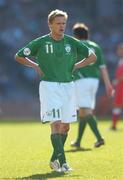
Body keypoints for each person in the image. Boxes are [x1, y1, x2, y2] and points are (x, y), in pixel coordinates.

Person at [15, 10, 96, 172]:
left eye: (64, 23)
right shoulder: (41, 42)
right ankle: (64, 162)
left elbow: (92, 56)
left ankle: (54, 159)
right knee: (56, 124)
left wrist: (76, 65)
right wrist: (35, 66)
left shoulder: (71, 42)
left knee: (65, 127)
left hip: (68, 86)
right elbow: (19, 56)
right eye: (58, 23)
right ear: (50, 24)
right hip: (49, 86)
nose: (61, 26)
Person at [70, 23, 114, 148]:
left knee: (85, 110)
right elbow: (103, 67)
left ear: (76, 35)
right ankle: (78, 141)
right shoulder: (96, 46)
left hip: (81, 80)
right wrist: (108, 85)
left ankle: (99, 138)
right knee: (83, 111)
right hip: (94, 81)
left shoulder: (76, 45)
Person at [110, 43, 123, 130]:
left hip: (121, 86)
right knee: (117, 105)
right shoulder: (120, 61)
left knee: (117, 105)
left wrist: (117, 81)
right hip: (119, 86)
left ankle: (114, 126)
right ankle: (114, 125)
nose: (118, 51)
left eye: (120, 49)